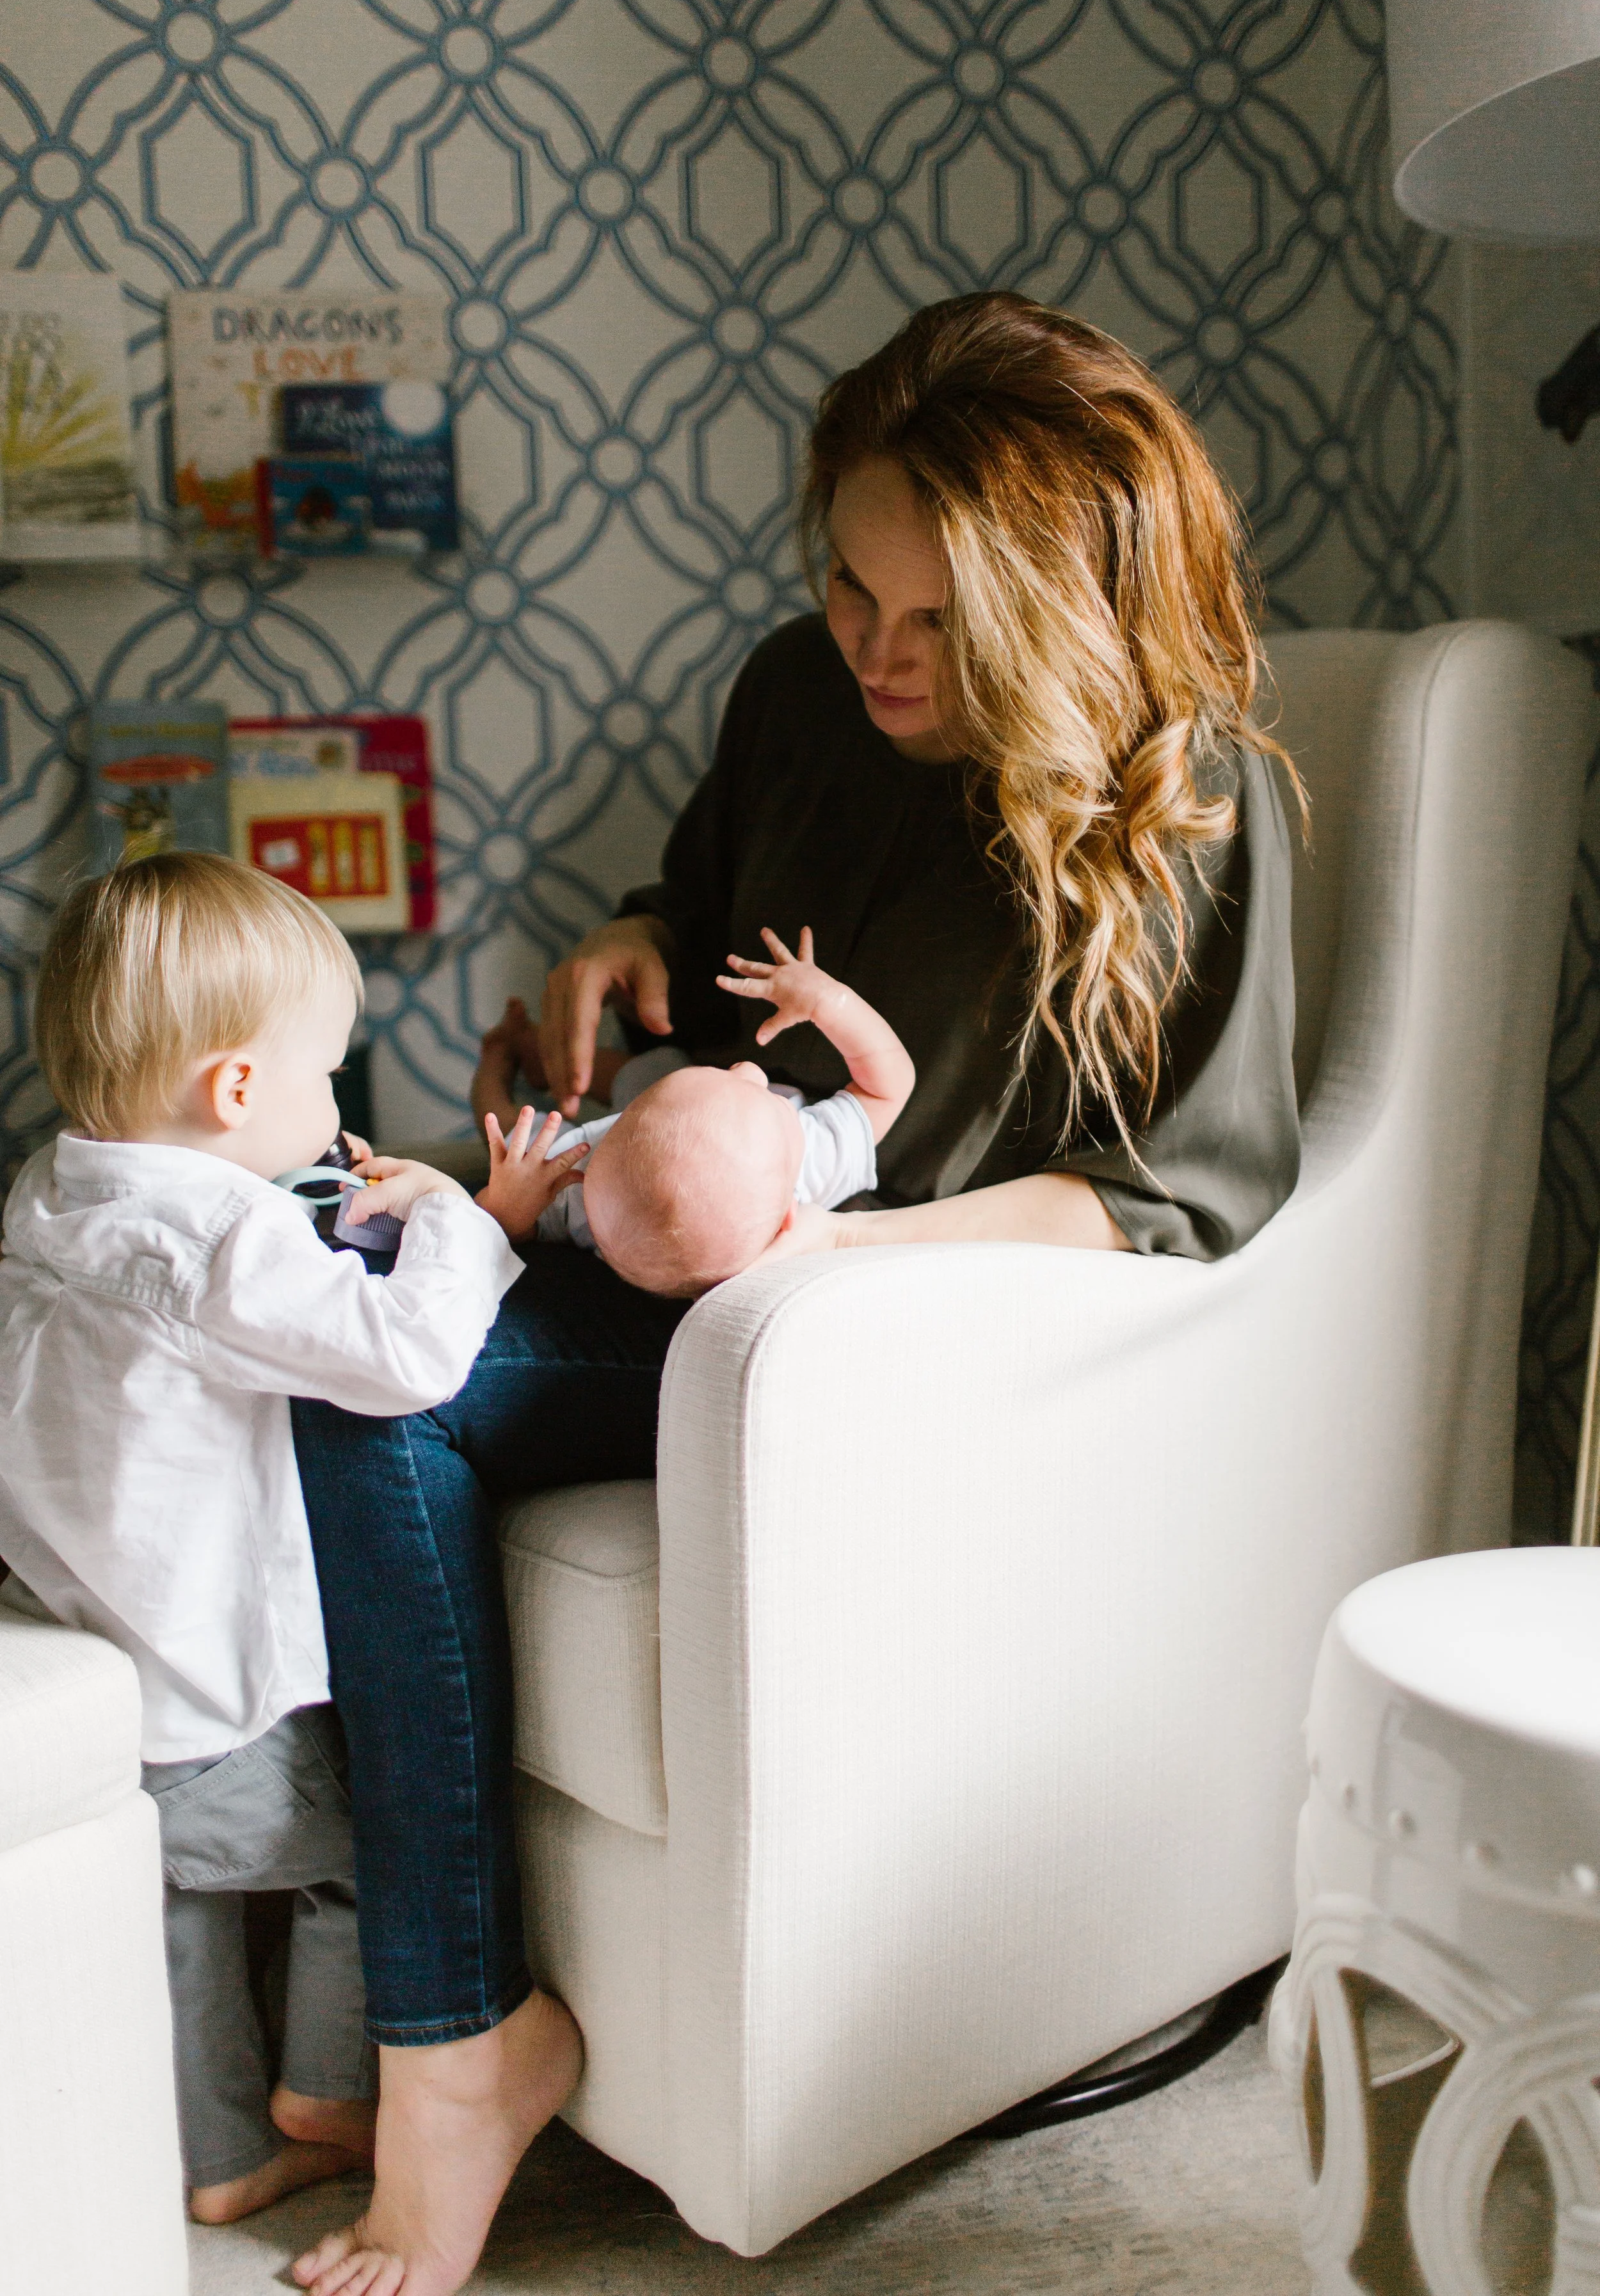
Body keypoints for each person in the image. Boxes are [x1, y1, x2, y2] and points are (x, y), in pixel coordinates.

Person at [287, 291, 1301, 2296]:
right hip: (694, 1247)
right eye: (849, 585)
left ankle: (449, 2039)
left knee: (378, 1387)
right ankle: (367, 1999)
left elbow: (1174, 1201)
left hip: (876, 1330)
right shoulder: (794, 688)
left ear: (1063, 607)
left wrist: (832, 1257)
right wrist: (622, 945)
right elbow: (710, 924)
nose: (876, 651)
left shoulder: (1184, 793)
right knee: (310, 1290)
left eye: (938, 621)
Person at [0, 852, 584, 2235]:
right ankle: (327, 2096)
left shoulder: (49, 1194)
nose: (337, 1108)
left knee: (181, 1914)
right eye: (326, 1077)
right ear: (236, 1092)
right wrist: (466, 1220)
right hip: (220, 1691)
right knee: (360, 1857)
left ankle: (218, 2155)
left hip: (97, 1668)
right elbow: (405, 1359)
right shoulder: (217, 1242)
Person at [478, 926, 916, 1297]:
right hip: (641, 1141)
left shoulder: (575, 1188)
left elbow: (491, 1229)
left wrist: (507, 1209)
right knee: (652, 1074)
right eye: (767, 1097)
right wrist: (829, 1004)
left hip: (593, 1162)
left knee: (511, 1138)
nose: (750, 1069)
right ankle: (549, 1061)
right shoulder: (809, 1164)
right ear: (790, 1216)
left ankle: (501, 1056)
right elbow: (888, 1088)